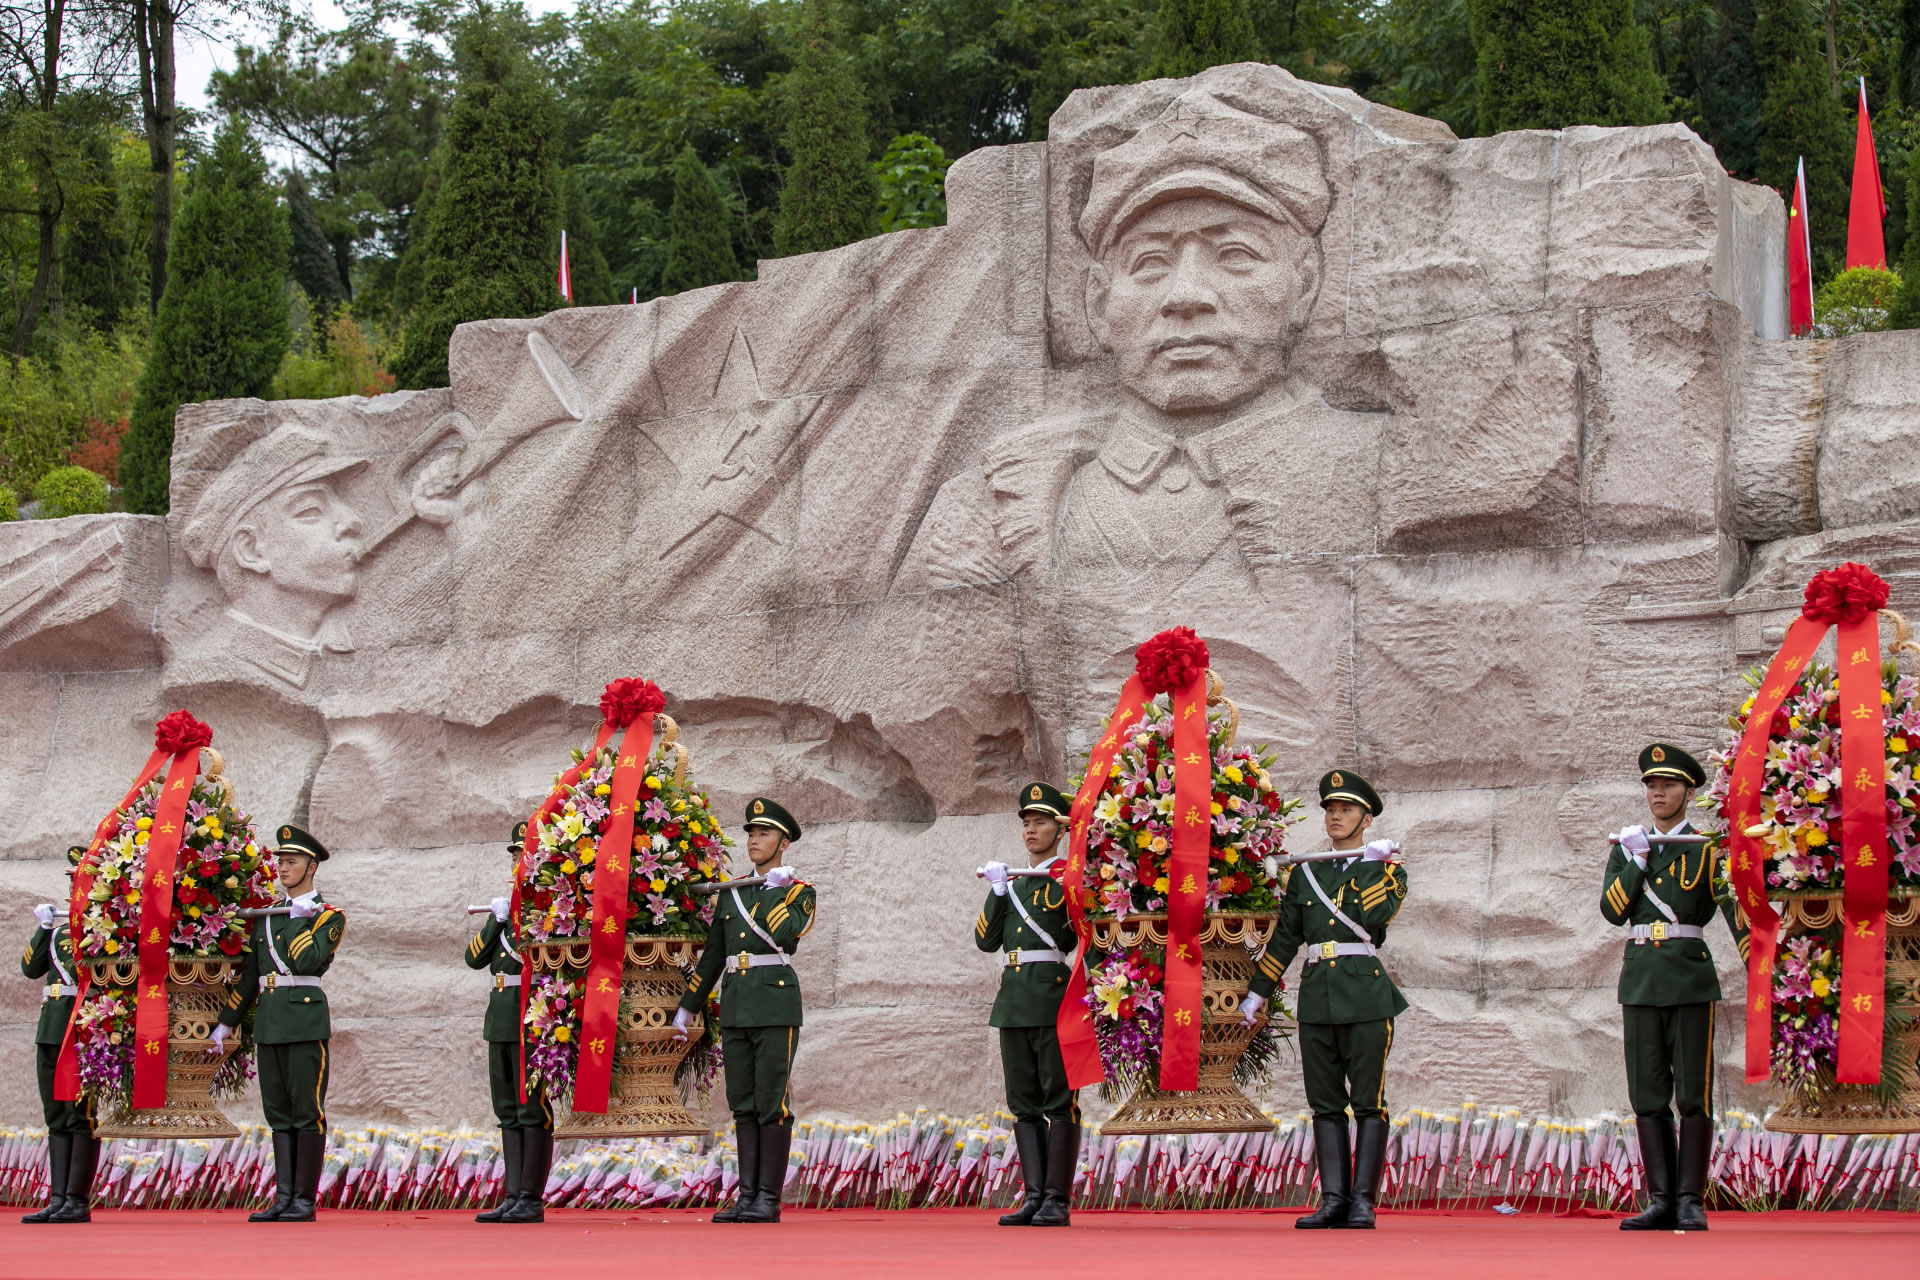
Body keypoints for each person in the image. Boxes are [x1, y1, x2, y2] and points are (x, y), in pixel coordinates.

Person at [1239, 770, 1407, 1229]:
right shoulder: (1306, 873)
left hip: (1366, 996)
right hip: (1318, 998)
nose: (1336, 816)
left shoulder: (1389, 867)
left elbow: (1377, 918)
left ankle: (1363, 1202)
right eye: (1331, 809)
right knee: (1325, 1103)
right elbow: (1286, 939)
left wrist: (1373, 865)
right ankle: (1334, 1198)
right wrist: (1258, 992)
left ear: (1366, 820)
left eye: (1347, 809)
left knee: (1369, 1101)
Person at [1602, 743, 1748, 1233]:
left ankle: (1689, 1199)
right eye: (1651, 784)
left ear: (1688, 791)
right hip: (1640, 978)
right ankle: (1660, 1198)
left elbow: (1733, 911)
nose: (1658, 792)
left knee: (1693, 1094)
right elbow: (1612, 910)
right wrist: (1637, 861)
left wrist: (1763, 967)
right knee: (1647, 1093)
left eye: (1667, 784)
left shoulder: (1706, 849)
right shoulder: (1628, 847)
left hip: (1688, 975)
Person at [674, 797, 815, 1224]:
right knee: (742, 1103)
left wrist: (773, 892)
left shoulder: (799, 891)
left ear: (783, 843)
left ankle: (767, 1198)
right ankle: (747, 1194)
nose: (755, 839)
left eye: (765, 833)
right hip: (736, 1005)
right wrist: (687, 1007)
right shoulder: (731, 892)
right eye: (752, 833)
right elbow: (714, 956)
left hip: (774, 1005)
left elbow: (786, 935)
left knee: (772, 1102)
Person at [210, 824, 345, 1222]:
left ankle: (304, 1199)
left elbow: (305, 962)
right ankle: (283, 1196)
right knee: (278, 1114)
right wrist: (225, 1022)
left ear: (312, 867)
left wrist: (303, 920)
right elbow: (250, 976)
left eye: (292, 861)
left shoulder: (328, 916)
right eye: (281, 861)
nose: (283, 868)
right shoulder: (267, 917)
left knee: (306, 1111)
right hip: (270, 1022)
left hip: (304, 1021)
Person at [977, 783, 1079, 1227]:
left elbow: (1080, 936)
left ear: (1061, 829)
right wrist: (998, 892)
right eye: (1027, 822)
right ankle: (1034, 1195)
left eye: (1040, 822)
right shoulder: (1015, 882)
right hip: (1015, 1000)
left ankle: (1057, 1198)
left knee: (1060, 1102)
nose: (1031, 830)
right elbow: (986, 940)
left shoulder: (1068, 878)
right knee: (1024, 1103)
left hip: (1054, 998)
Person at [467, 821, 554, 1224]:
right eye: (516, 856)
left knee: (530, 1109)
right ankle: (513, 1194)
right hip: (500, 1019)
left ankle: (531, 1198)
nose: (518, 862)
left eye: (525, 856)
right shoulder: (504, 913)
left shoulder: (550, 912)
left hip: (532, 1019)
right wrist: (495, 920)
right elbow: (474, 958)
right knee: (507, 1110)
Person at [19, 846, 98, 1223]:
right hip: (50, 1029)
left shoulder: (105, 927)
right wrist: (44, 927)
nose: (74, 886)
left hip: (81, 1029)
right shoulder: (60, 928)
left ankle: (77, 1200)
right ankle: (57, 1198)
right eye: (71, 879)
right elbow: (31, 970)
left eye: (80, 879)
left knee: (78, 1114)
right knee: (55, 1114)